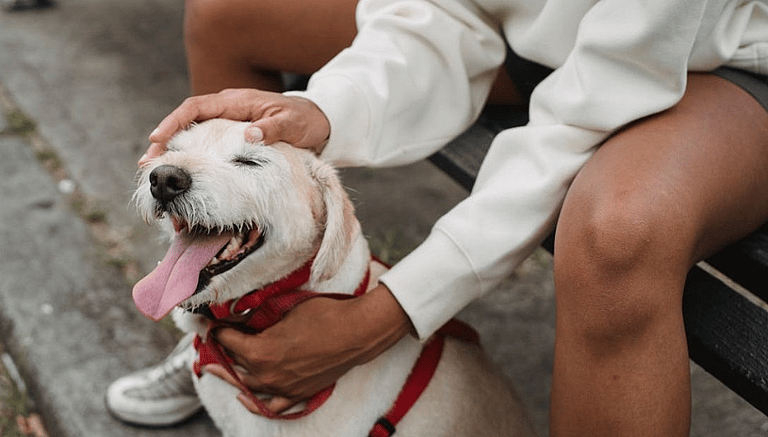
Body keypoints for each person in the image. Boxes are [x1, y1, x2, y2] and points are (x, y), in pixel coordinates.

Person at [106, 0, 768, 435]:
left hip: (713, 51)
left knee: (618, 229)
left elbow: (601, 97)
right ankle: (228, 329)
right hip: (548, 36)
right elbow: (447, 9)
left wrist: (389, 311)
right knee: (228, 14)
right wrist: (324, 109)